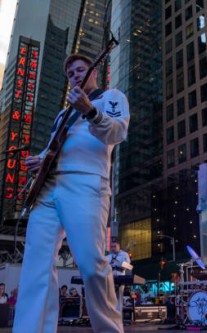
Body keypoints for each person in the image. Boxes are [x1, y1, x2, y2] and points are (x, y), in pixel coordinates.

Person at [13, 53, 130, 333]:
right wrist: (40, 159)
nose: (76, 75)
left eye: (81, 69)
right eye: (71, 73)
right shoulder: (63, 113)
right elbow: (56, 147)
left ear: (94, 71)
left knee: (91, 266)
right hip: (49, 189)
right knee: (36, 266)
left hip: (86, 184)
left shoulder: (111, 96)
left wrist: (89, 110)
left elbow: (117, 132)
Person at [106, 237, 131, 311]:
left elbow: (128, 266)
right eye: (112, 247)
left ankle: (119, 314)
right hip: (111, 278)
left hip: (120, 277)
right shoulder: (108, 256)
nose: (113, 248)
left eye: (115, 246)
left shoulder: (124, 255)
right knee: (110, 296)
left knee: (119, 296)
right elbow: (104, 266)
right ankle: (111, 313)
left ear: (119, 246)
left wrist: (118, 264)